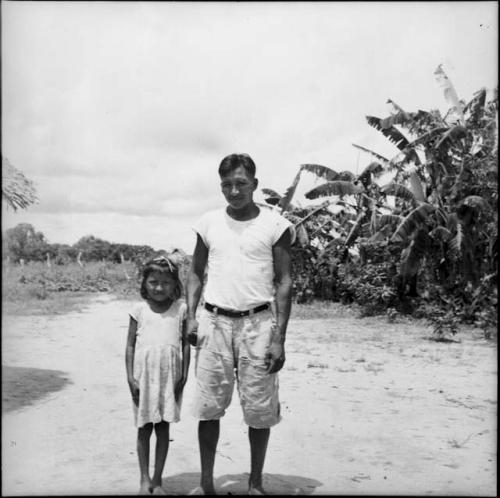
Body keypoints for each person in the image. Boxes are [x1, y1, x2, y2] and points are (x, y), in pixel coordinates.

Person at [186, 153, 294, 495]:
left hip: (258, 325)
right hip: (214, 323)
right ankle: (207, 482)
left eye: (241, 184)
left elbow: (284, 282)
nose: (234, 191)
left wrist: (279, 338)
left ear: (254, 185)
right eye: (227, 185)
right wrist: (191, 317)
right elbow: (195, 273)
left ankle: (255, 483)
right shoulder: (208, 223)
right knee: (208, 408)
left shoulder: (275, 225)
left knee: (260, 410)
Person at [125, 254, 191, 495]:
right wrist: (130, 378)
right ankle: (144, 480)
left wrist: (183, 377)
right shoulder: (138, 310)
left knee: (163, 429)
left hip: (169, 379)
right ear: (144, 284)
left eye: (165, 282)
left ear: (175, 284)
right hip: (143, 378)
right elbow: (130, 345)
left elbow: (185, 344)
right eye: (153, 282)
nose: (159, 287)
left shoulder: (181, 309)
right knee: (144, 428)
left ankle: (158, 479)